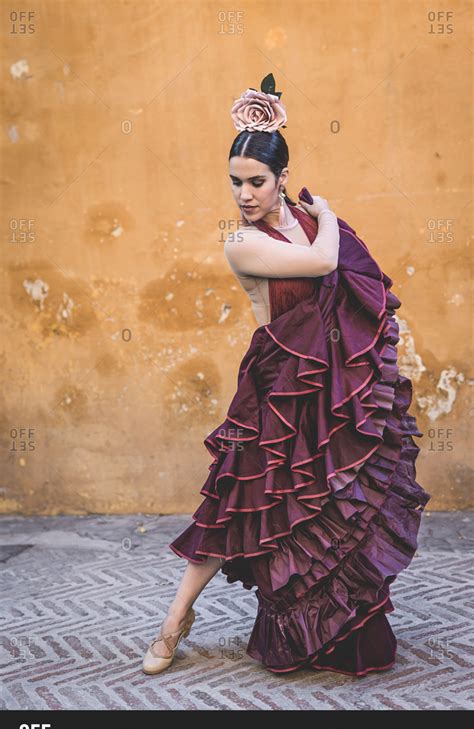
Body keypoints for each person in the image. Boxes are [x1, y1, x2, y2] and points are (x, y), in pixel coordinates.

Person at [143, 74, 431, 677]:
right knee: (234, 501)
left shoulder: (307, 221)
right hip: (276, 390)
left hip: (328, 386)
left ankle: (335, 620)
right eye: (234, 182)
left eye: (256, 181)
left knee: (336, 502)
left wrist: (321, 216)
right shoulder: (244, 243)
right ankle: (173, 625)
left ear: (280, 177)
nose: (243, 194)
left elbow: (363, 285)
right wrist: (328, 211)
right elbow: (326, 260)